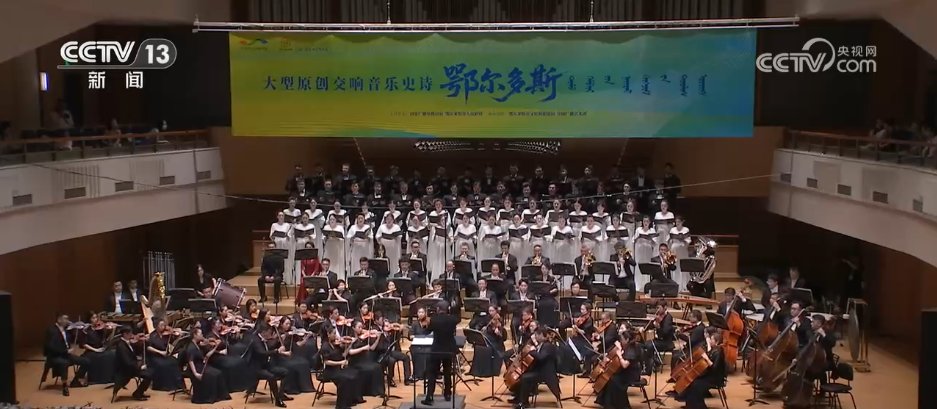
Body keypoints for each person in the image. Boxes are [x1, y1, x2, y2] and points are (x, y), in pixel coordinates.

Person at [422, 300, 462, 405]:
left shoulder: (434, 319)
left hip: (437, 349)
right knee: (447, 371)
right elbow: (458, 318)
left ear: (438, 309)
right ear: (447, 309)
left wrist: (425, 324)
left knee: (432, 373)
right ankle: (447, 393)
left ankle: (430, 396)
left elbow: (427, 330)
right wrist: (454, 308)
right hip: (448, 349)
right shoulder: (452, 319)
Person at [510, 328, 560, 409]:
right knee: (522, 375)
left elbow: (541, 357)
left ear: (541, 335)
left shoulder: (548, 346)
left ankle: (524, 403)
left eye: (536, 335)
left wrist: (532, 351)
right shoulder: (543, 344)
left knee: (525, 378)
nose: (535, 336)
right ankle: (519, 399)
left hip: (545, 373)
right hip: (540, 371)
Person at [676, 332, 726, 409]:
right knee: (691, 381)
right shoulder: (714, 350)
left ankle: (699, 406)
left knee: (696, 384)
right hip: (709, 375)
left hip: (715, 378)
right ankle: (691, 405)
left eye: (711, 339)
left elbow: (715, 368)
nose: (710, 341)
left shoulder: (719, 352)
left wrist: (707, 359)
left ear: (717, 341)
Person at [43, 313, 89, 395]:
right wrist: (65, 351)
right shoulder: (51, 331)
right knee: (64, 363)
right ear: (59, 320)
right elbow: (50, 347)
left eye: (68, 319)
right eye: (65, 319)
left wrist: (80, 330)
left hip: (66, 355)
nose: (68, 321)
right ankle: (64, 386)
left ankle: (75, 381)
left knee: (86, 361)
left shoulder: (66, 330)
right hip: (55, 356)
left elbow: (73, 340)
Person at [595, 330, 642, 409]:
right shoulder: (627, 347)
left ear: (627, 340)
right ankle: (605, 402)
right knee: (609, 376)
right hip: (625, 372)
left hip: (631, 375)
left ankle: (615, 405)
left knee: (612, 379)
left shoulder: (632, 350)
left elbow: (625, 365)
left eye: (622, 339)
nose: (621, 341)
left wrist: (620, 356)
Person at [186, 328, 231, 404]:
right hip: (196, 369)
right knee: (213, 375)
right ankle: (209, 397)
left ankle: (219, 396)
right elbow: (190, 361)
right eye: (200, 334)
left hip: (202, 366)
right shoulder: (191, 347)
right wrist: (196, 374)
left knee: (218, 373)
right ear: (195, 335)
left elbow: (207, 356)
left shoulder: (197, 345)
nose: (202, 335)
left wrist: (215, 347)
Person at [248, 324, 289, 407]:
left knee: (286, 372)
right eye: (269, 332)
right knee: (271, 377)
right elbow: (262, 353)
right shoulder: (256, 341)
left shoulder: (263, 338)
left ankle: (280, 395)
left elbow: (269, 347)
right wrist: (277, 351)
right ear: (263, 332)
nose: (271, 334)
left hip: (266, 365)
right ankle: (277, 400)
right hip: (256, 368)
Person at [321, 331, 362, 409]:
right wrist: (340, 362)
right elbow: (326, 362)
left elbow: (344, 355)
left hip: (338, 369)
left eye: (335, 334)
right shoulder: (325, 346)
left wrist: (350, 345)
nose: (336, 336)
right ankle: (342, 405)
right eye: (333, 334)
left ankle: (351, 400)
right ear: (328, 334)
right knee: (345, 379)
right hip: (330, 371)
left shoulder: (336, 345)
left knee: (354, 374)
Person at [114, 326, 153, 400]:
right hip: (126, 371)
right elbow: (127, 363)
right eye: (130, 334)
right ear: (125, 334)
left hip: (131, 367)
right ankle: (138, 394)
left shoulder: (126, 342)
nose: (132, 335)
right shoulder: (121, 346)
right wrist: (140, 367)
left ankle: (139, 392)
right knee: (148, 375)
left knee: (150, 372)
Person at [77, 312, 116, 384]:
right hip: (90, 352)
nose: (96, 319)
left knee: (113, 354)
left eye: (96, 317)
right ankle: (97, 379)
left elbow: (106, 340)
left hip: (99, 350)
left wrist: (111, 331)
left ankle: (109, 378)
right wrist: (95, 350)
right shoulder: (85, 330)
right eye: (93, 318)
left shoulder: (99, 329)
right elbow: (83, 344)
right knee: (106, 356)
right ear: (89, 319)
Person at [145, 319, 183, 391]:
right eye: (161, 325)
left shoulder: (166, 335)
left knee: (174, 362)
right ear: (156, 326)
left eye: (164, 325)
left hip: (164, 356)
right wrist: (160, 352)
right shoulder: (152, 335)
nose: (164, 327)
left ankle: (177, 385)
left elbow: (173, 344)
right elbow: (148, 348)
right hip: (155, 357)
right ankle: (164, 386)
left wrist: (179, 337)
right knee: (163, 365)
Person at [376, 320, 414, 386]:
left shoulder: (392, 333)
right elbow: (379, 347)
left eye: (389, 325)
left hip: (392, 352)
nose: (389, 327)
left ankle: (407, 379)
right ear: (382, 327)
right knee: (392, 361)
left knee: (406, 357)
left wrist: (399, 327)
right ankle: (390, 379)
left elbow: (398, 336)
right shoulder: (380, 335)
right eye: (386, 326)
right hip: (383, 353)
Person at [644, 300, 675, 373]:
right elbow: (652, 324)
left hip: (666, 342)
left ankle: (649, 368)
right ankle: (656, 362)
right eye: (657, 308)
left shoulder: (668, 318)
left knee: (649, 346)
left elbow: (665, 332)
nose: (657, 310)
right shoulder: (659, 316)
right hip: (659, 340)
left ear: (665, 308)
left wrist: (658, 327)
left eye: (659, 308)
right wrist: (644, 328)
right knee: (643, 345)